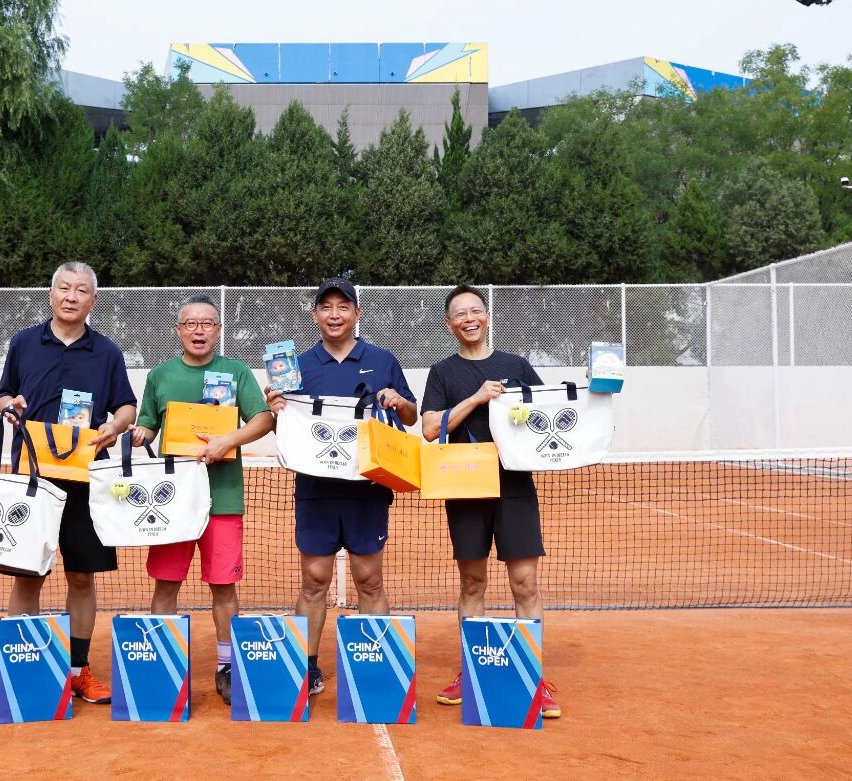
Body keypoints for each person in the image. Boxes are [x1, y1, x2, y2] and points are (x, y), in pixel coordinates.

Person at [266, 278, 417, 696]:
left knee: (370, 580)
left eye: (343, 306)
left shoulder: (383, 360)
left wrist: (398, 401)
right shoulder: (295, 366)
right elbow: (285, 427)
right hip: (315, 490)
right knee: (314, 580)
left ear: (356, 313)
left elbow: (410, 416)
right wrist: (275, 408)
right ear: (315, 314)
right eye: (326, 307)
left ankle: (377, 666)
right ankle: (306, 666)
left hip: (367, 489)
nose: (335, 315)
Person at [0, 261, 136, 706]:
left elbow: (127, 406)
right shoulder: (23, 343)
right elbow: (3, 393)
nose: (71, 296)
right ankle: (24, 670)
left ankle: (78, 671)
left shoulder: (108, 352)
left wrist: (115, 426)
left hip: (87, 478)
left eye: (81, 290)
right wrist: (9, 405)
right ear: (51, 293)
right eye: (64, 288)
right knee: (28, 575)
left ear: (93, 300)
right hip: (32, 476)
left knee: (81, 576)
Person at [420, 284, 560, 719]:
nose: (469, 318)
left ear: (486, 316)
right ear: (450, 324)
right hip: (465, 486)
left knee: (525, 584)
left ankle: (531, 676)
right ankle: (472, 670)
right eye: (460, 313)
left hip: (515, 486)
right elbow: (430, 429)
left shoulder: (516, 365)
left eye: (475, 310)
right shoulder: (442, 372)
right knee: (472, 584)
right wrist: (477, 397)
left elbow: (545, 416)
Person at [130, 294, 275, 706]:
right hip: (172, 501)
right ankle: (161, 663)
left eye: (207, 323)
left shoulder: (237, 371)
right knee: (166, 584)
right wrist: (139, 433)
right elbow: (147, 423)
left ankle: (227, 667)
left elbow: (264, 418)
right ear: (178, 330)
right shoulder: (159, 375)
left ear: (218, 330)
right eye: (190, 324)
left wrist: (228, 440)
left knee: (224, 587)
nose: (199, 330)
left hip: (222, 499)